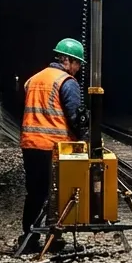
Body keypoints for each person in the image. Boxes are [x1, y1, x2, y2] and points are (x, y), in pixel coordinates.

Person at [19, 39, 87, 250]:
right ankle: (54, 238)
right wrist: (84, 134)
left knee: (35, 193)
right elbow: (75, 117)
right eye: (77, 63)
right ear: (68, 61)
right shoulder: (66, 82)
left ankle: (29, 237)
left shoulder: (33, 80)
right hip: (55, 148)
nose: (78, 69)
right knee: (58, 194)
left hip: (31, 145)